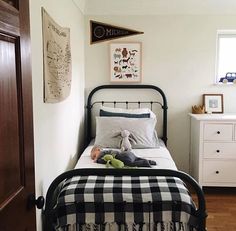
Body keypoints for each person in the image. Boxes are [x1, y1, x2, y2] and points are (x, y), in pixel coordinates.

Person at [90, 145, 157, 168]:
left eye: (94, 155)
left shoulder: (103, 152)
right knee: (136, 158)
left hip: (122, 156)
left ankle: (144, 162)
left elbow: (105, 160)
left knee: (130, 164)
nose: (93, 158)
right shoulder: (104, 154)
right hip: (128, 153)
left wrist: (97, 160)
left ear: (98, 150)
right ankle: (150, 161)